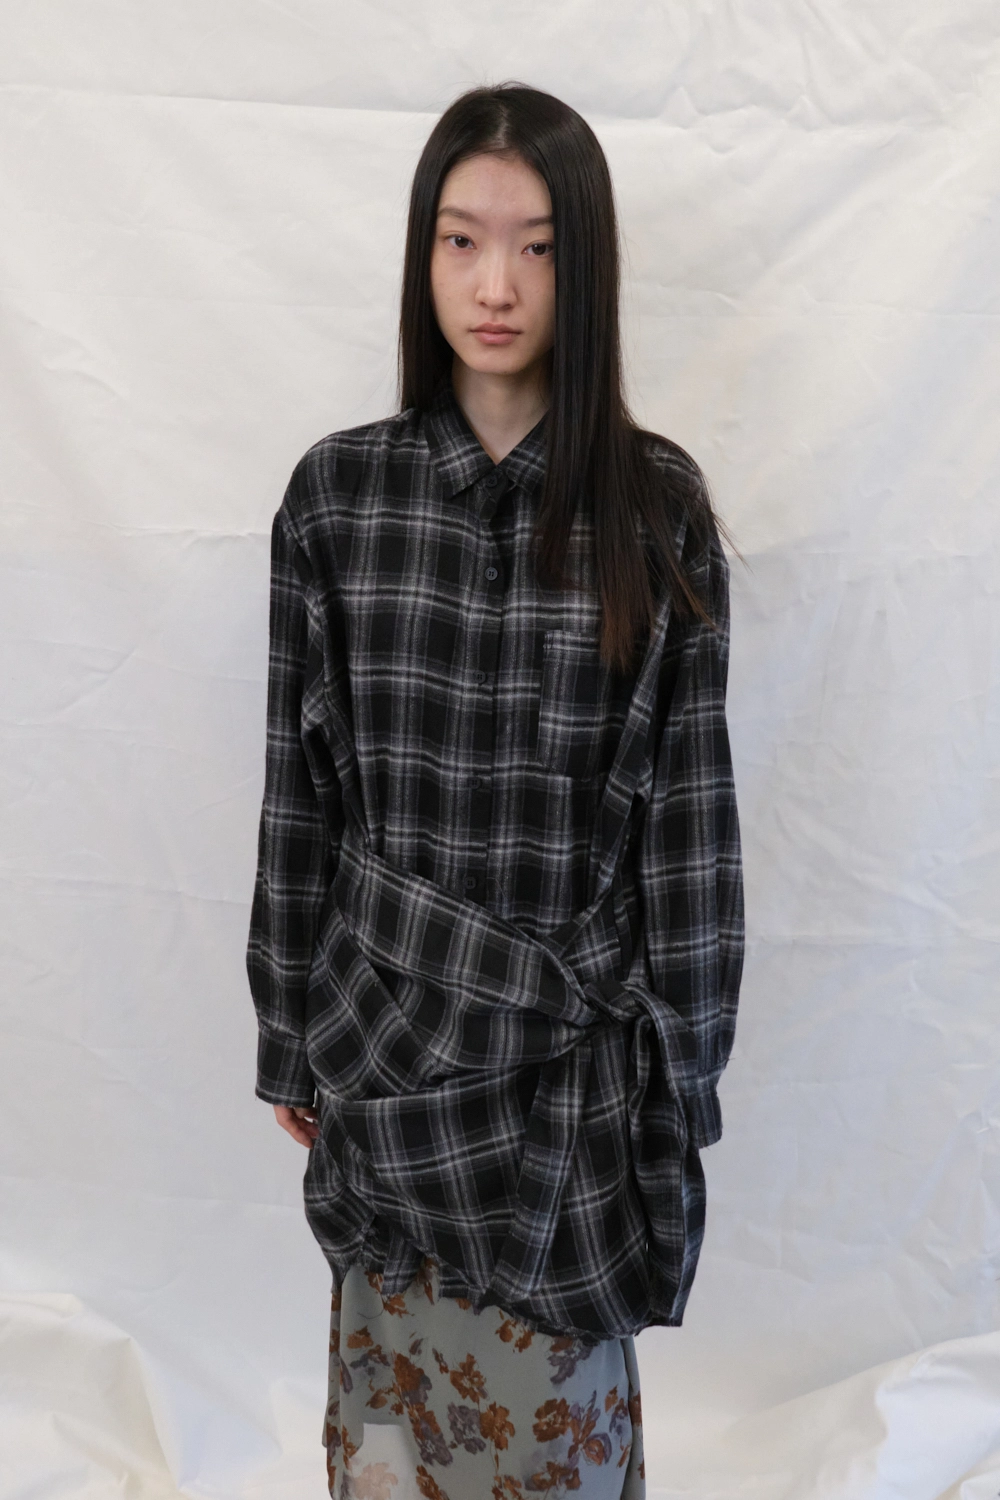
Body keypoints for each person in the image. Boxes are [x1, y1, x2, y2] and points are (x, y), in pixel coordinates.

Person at [247, 81, 744, 1500]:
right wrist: (287, 1030)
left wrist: (682, 1080)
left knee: (551, 1448)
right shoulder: (337, 500)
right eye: (462, 241)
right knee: (389, 1445)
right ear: (424, 256)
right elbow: (299, 791)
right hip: (382, 1041)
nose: (497, 286)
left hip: (563, 1090)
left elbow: (689, 828)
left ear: (586, 269)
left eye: (537, 247)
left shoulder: (654, 511)